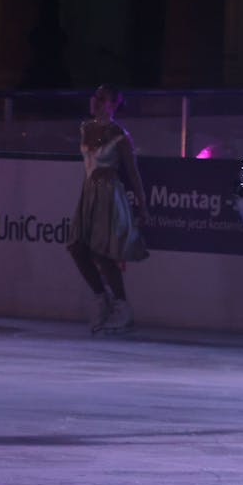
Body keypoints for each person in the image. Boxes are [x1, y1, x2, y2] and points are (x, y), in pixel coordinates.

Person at [66, 84, 150, 334]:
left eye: (102, 98)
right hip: (89, 193)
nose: (96, 100)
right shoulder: (85, 128)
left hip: (109, 194)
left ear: (113, 105)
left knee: (103, 253)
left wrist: (142, 205)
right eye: (95, 96)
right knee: (77, 247)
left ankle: (122, 307)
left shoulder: (120, 135)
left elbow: (133, 173)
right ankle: (102, 298)